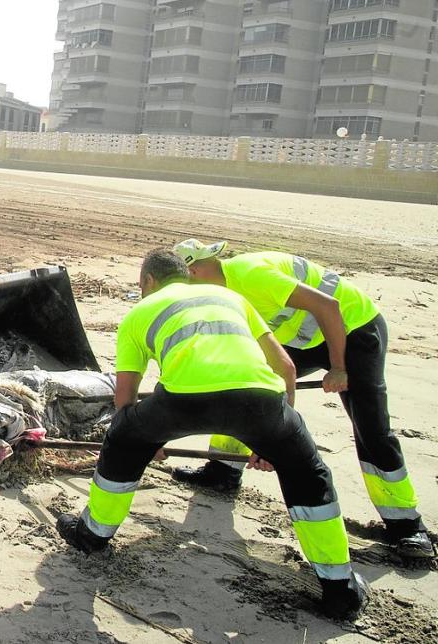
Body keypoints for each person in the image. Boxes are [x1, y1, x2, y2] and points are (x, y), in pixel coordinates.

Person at [56, 249, 369, 621]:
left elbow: (125, 397)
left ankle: (92, 536)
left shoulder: (140, 313)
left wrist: (144, 442)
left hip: (182, 402)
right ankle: (339, 588)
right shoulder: (233, 298)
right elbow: (285, 366)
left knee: (121, 440)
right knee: (308, 474)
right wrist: (273, 441)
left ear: (147, 282)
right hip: (260, 404)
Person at [174, 239, 432, 559]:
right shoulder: (218, 294)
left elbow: (328, 307)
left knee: (370, 427)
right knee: (244, 386)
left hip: (353, 329)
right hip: (306, 340)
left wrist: (339, 368)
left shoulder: (250, 275)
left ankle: (407, 526)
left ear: (195, 270)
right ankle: (222, 471)